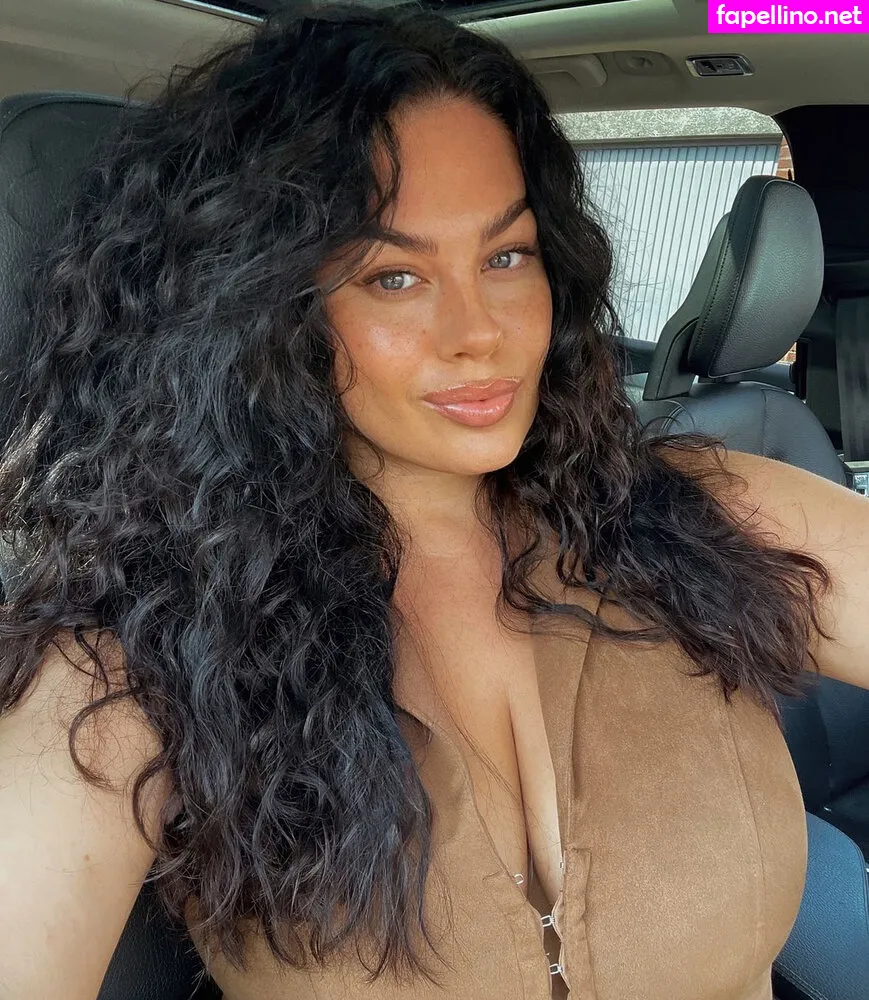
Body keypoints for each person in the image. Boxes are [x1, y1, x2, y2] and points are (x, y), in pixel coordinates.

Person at [0, 3, 866, 999]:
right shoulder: (143, 650)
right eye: (394, 276)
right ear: (258, 313)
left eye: (505, 257)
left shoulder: (716, 514)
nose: (478, 332)